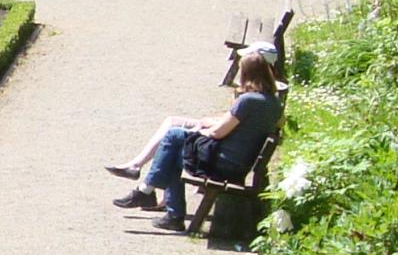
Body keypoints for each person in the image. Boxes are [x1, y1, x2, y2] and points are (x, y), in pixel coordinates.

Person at [107, 50, 282, 231]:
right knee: (175, 153)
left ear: (247, 74)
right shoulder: (273, 103)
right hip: (237, 163)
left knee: (174, 135)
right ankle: (165, 210)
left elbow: (218, 133)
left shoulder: (248, 100)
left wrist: (199, 131)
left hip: (223, 163)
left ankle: (150, 195)